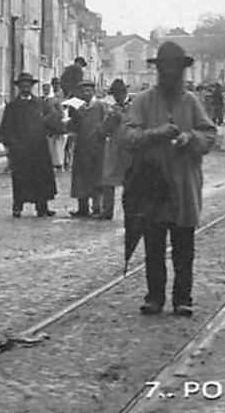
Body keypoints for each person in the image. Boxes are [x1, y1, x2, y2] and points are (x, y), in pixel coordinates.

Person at [122, 42, 216, 314]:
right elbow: (127, 136)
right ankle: (154, 296)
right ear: (159, 70)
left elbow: (209, 135)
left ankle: (183, 298)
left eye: (177, 69)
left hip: (184, 186)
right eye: (167, 68)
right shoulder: (143, 101)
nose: (172, 73)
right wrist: (156, 133)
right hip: (152, 186)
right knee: (153, 244)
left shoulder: (191, 101)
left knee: (184, 245)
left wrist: (191, 138)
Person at [0, 73, 63, 217]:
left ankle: (42, 207)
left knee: (41, 178)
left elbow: (54, 118)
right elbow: (6, 128)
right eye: (22, 85)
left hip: (39, 148)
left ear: (32, 86)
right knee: (21, 178)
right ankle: (18, 207)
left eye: (28, 84)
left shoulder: (40, 104)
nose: (25, 87)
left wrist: (49, 128)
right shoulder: (12, 107)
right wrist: (13, 144)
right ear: (18, 87)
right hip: (20, 150)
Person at [69, 79, 109, 218]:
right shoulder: (77, 108)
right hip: (81, 147)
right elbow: (73, 126)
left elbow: (107, 124)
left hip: (97, 148)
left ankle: (96, 207)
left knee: (96, 177)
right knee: (81, 177)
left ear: (93, 91)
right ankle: (82, 208)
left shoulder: (101, 106)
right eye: (83, 91)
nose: (85, 93)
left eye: (88, 91)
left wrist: (101, 133)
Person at [96, 79, 131, 220]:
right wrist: (110, 119)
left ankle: (131, 211)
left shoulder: (134, 106)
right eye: (114, 94)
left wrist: (121, 116)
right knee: (108, 179)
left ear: (124, 92)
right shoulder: (112, 109)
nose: (117, 97)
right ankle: (107, 211)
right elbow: (103, 130)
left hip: (131, 148)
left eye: (119, 94)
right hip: (114, 147)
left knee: (130, 181)